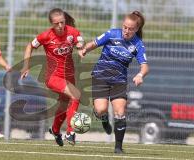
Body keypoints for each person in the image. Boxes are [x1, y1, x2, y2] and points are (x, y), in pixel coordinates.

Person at [78, 11, 149, 153]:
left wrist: (140, 75)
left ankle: (118, 148)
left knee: (120, 112)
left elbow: (145, 65)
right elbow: (94, 43)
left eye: (130, 29)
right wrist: (85, 49)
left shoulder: (138, 45)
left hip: (119, 80)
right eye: (125, 27)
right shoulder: (111, 34)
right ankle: (103, 118)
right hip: (101, 76)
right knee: (100, 109)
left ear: (136, 29)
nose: (126, 31)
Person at [20, 8, 84, 146]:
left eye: (62, 22)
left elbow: (80, 40)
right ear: (51, 24)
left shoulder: (72, 32)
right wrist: (26, 66)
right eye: (56, 24)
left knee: (63, 104)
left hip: (69, 76)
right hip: (53, 77)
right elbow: (30, 46)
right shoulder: (45, 36)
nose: (60, 26)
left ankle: (55, 130)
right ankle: (70, 132)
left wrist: (80, 47)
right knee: (76, 95)